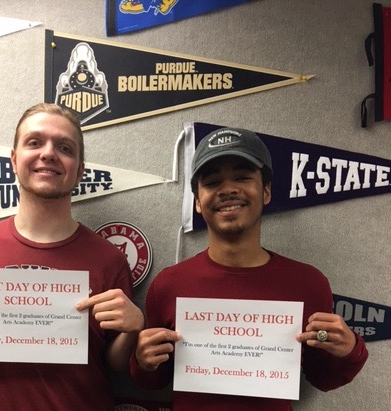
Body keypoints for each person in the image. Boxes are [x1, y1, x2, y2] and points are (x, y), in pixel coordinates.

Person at [0, 103, 145, 411]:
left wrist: (133, 329)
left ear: (79, 171)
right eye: (34, 142)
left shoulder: (109, 259)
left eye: (64, 147)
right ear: (14, 160)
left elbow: (115, 363)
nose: (48, 153)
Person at [130, 127, 368, 410]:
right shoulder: (169, 285)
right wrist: (142, 361)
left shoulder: (308, 283)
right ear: (197, 201)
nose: (228, 189)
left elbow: (323, 379)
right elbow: (154, 381)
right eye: (213, 181)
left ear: (266, 191)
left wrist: (350, 350)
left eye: (243, 177)